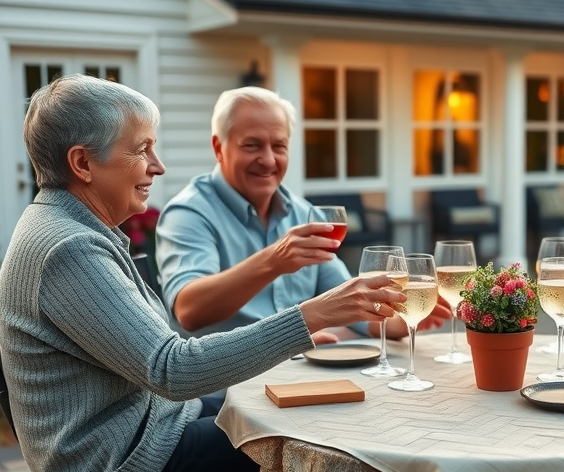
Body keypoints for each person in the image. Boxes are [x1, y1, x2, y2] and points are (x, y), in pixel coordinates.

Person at [0, 74, 403, 472]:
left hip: (143, 421)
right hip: (115, 458)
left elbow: (162, 364)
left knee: (293, 402)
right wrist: (313, 314)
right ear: (82, 163)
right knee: (317, 435)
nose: (157, 167)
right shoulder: (69, 247)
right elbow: (174, 369)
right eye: (141, 149)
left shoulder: (72, 228)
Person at [156, 86, 450, 340]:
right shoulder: (189, 213)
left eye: (279, 146)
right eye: (252, 145)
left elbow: (350, 305)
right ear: (219, 147)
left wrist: (403, 319)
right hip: (224, 396)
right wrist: (274, 260)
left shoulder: (303, 212)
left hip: (298, 382)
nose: (268, 160)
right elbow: (188, 311)